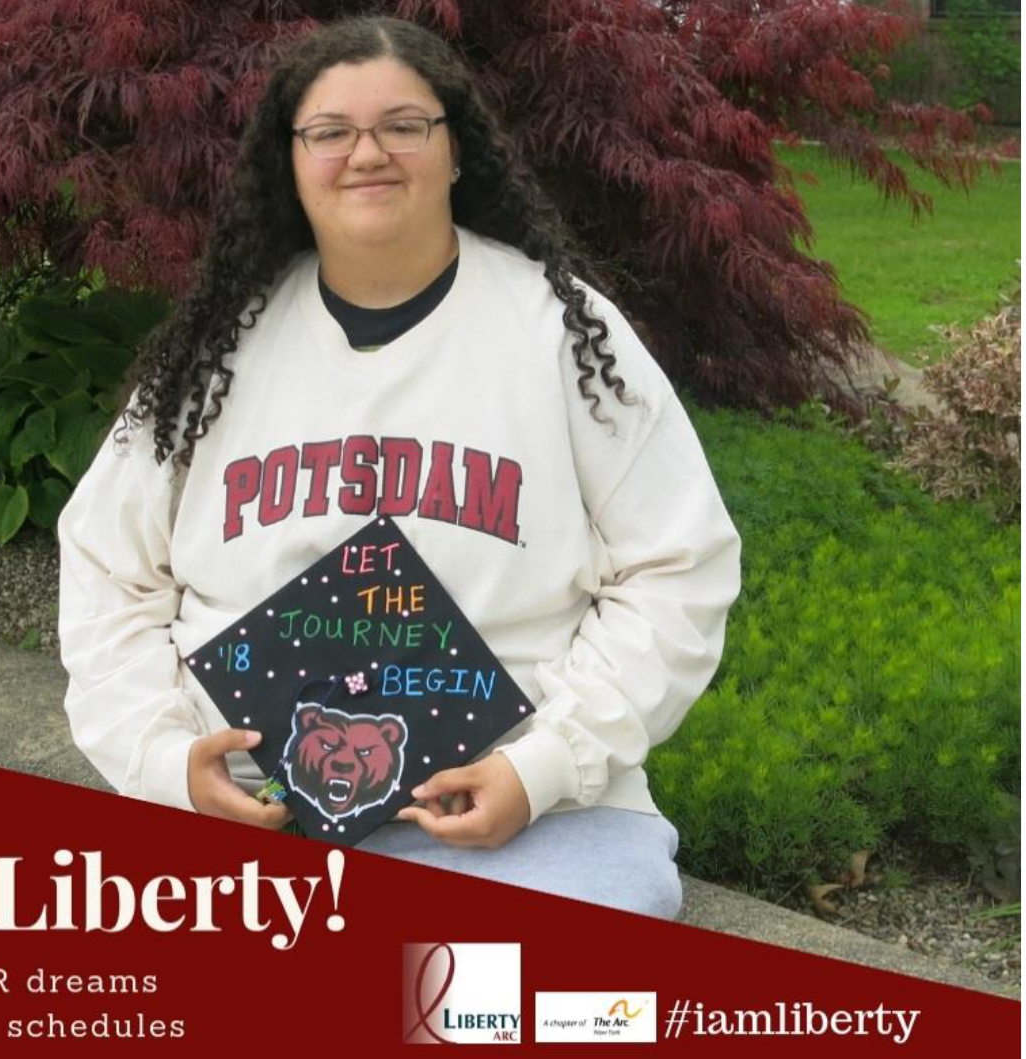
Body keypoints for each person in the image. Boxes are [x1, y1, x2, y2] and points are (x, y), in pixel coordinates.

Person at [57, 15, 741, 919]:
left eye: (404, 125)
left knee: (521, 1005)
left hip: (516, 807)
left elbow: (677, 568)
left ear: (455, 150)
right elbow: (109, 570)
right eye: (330, 132)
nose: (366, 152)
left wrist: (540, 769)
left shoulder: (562, 331)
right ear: (290, 162)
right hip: (249, 803)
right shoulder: (215, 351)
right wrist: (164, 760)